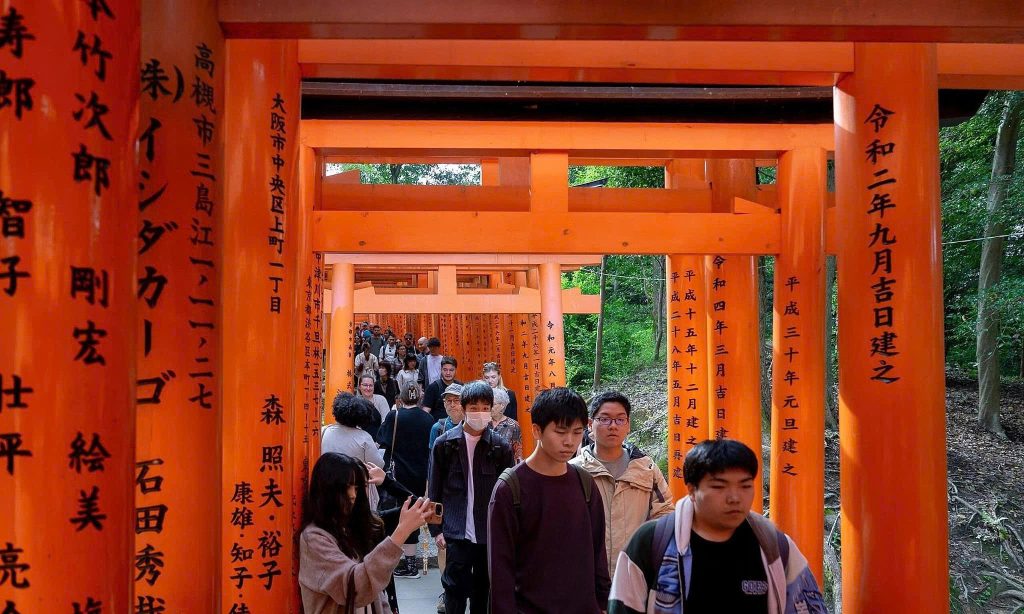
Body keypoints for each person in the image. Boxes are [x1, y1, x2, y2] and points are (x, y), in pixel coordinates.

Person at [608, 439, 827, 614]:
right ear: (692, 490)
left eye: (745, 486)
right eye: (719, 487)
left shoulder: (774, 546)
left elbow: (809, 606)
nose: (734, 498)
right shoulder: (652, 541)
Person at [488, 387, 610, 614]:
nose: (570, 442)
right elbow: (500, 571)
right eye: (561, 432)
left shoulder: (585, 483)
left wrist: (603, 604)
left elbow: (597, 553)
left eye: (577, 432)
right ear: (536, 430)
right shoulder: (509, 489)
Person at [299, 452, 435, 614]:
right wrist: (401, 532)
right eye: (346, 487)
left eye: (358, 487)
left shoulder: (359, 526)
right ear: (328, 489)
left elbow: (377, 595)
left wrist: (387, 482)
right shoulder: (314, 538)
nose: (352, 495)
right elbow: (357, 589)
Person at [429, 381, 515, 614]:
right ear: (464, 408)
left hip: (488, 533)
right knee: (454, 591)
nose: (480, 412)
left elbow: (509, 494)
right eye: (474, 407)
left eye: (485, 407)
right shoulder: (444, 444)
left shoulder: (500, 446)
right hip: (456, 531)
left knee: (483, 591)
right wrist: (436, 530)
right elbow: (434, 490)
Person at [571, 391, 673, 577]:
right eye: (605, 419)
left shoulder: (646, 469)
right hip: (585, 574)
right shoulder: (574, 471)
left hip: (634, 572)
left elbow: (664, 514)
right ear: (590, 425)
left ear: (628, 425)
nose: (613, 426)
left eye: (620, 420)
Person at [378, 381, 437, 578]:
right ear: (419, 397)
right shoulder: (428, 419)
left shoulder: (394, 416)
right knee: (414, 512)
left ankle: (396, 561)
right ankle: (412, 565)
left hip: (397, 475)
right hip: (420, 474)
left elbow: (382, 440)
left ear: (401, 397)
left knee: (396, 514)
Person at [321, 392, 387, 509]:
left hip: (327, 482)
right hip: (355, 487)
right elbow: (378, 465)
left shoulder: (324, 431)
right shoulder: (364, 437)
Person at [489, 387, 523, 463]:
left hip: (506, 466)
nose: (490, 407)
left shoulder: (513, 425)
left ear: (502, 406)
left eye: (493, 404)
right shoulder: (483, 423)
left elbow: (518, 452)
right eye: (489, 404)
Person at [424, 356, 461, 422]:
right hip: (438, 426)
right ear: (441, 370)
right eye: (445, 370)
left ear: (456, 370)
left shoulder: (461, 386)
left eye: (451, 370)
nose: (448, 373)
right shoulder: (433, 387)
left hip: (457, 425)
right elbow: (426, 410)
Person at [429, 383, 464, 448]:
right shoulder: (437, 428)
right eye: (449, 401)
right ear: (444, 404)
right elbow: (432, 456)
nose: (452, 405)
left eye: (456, 400)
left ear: (464, 403)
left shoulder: (471, 427)